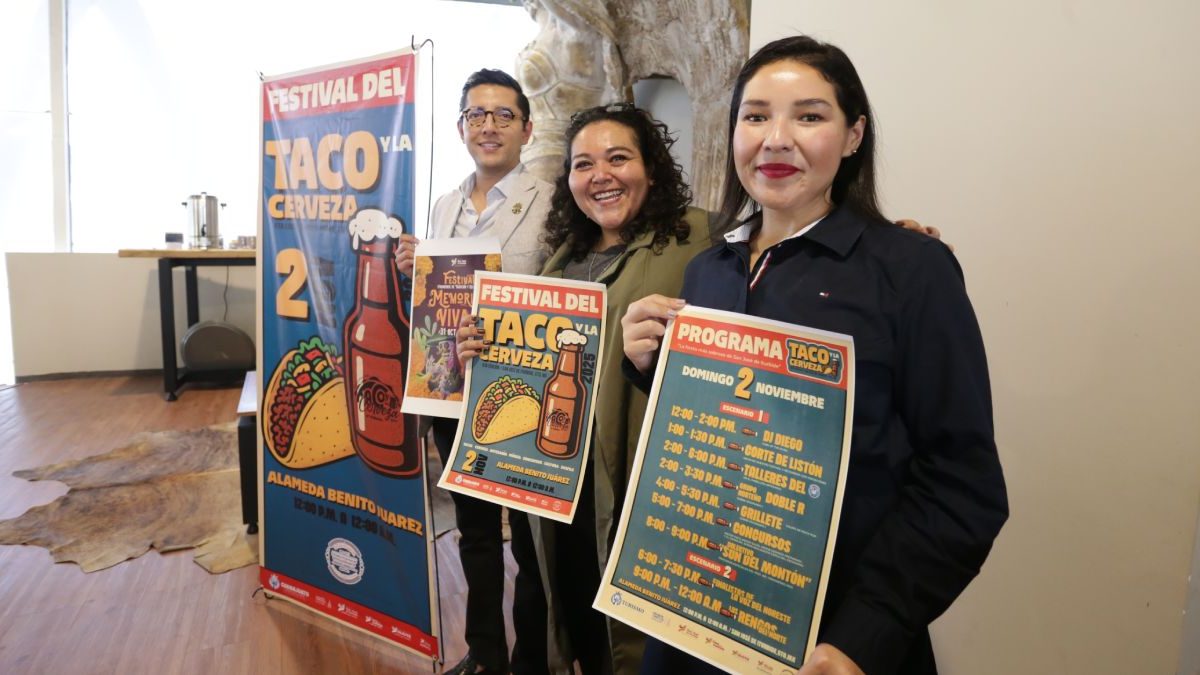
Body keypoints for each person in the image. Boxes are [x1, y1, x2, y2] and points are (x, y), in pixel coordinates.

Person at [621, 36, 1009, 674]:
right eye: (755, 116)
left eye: (809, 115)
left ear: (854, 135)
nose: (776, 139)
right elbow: (716, 424)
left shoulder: (911, 271)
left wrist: (864, 634)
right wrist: (647, 365)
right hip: (693, 615)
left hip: (829, 641)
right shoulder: (707, 270)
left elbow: (962, 486)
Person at [459, 102, 714, 675]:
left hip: (638, 486)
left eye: (618, 158)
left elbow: (781, 251)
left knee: (631, 643)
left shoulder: (704, 236)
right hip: (562, 488)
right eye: (582, 164)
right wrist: (484, 346)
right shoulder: (564, 258)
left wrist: (891, 241)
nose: (600, 175)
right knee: (574, 616)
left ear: (651, 167)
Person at [396, 68, 552, 675]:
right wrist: (417, 263)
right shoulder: (444, 204)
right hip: (448, 388)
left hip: (521, 389)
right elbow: (436, 296)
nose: (488, 126)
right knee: (476, 533)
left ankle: (534, 660)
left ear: (526, 128)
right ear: (462, 127)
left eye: (502, 115)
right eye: (476, 116)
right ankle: (484, 653)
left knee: (535, 543)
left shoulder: (551, 200)